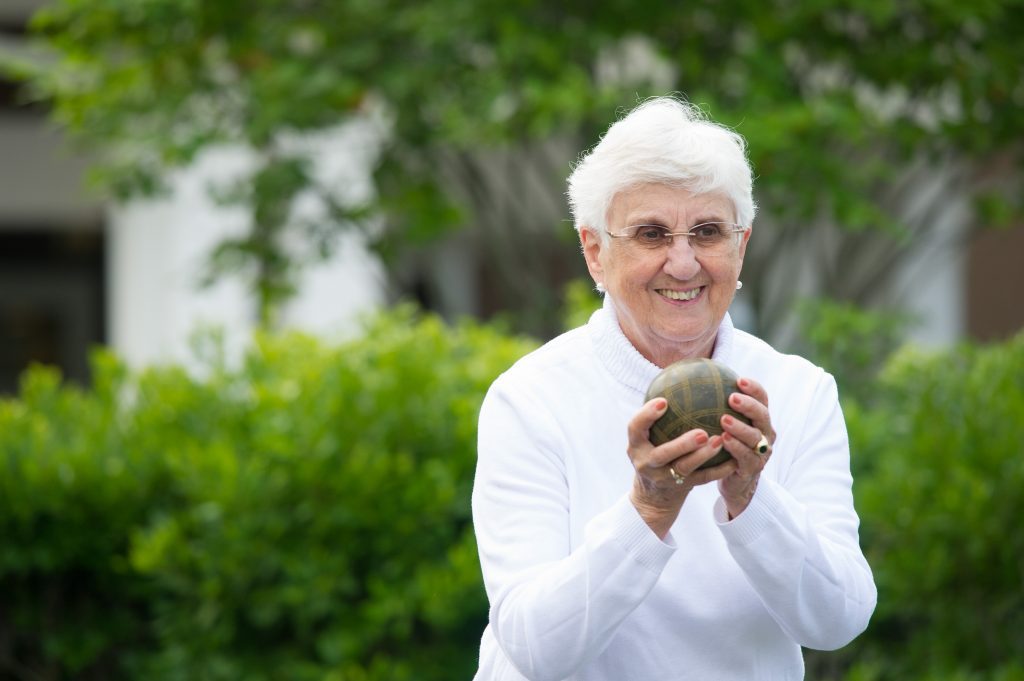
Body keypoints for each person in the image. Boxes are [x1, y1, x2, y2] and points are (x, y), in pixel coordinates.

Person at [470, 97, 877, 680]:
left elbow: (839, 620)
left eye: (708, 232)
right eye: (651, 234)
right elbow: (536, 649)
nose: (683, 264)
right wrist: (650, 507)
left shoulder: (799, 390)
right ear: (595, 252)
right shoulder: (530, 399)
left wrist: (751, 497)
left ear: (742, 246)